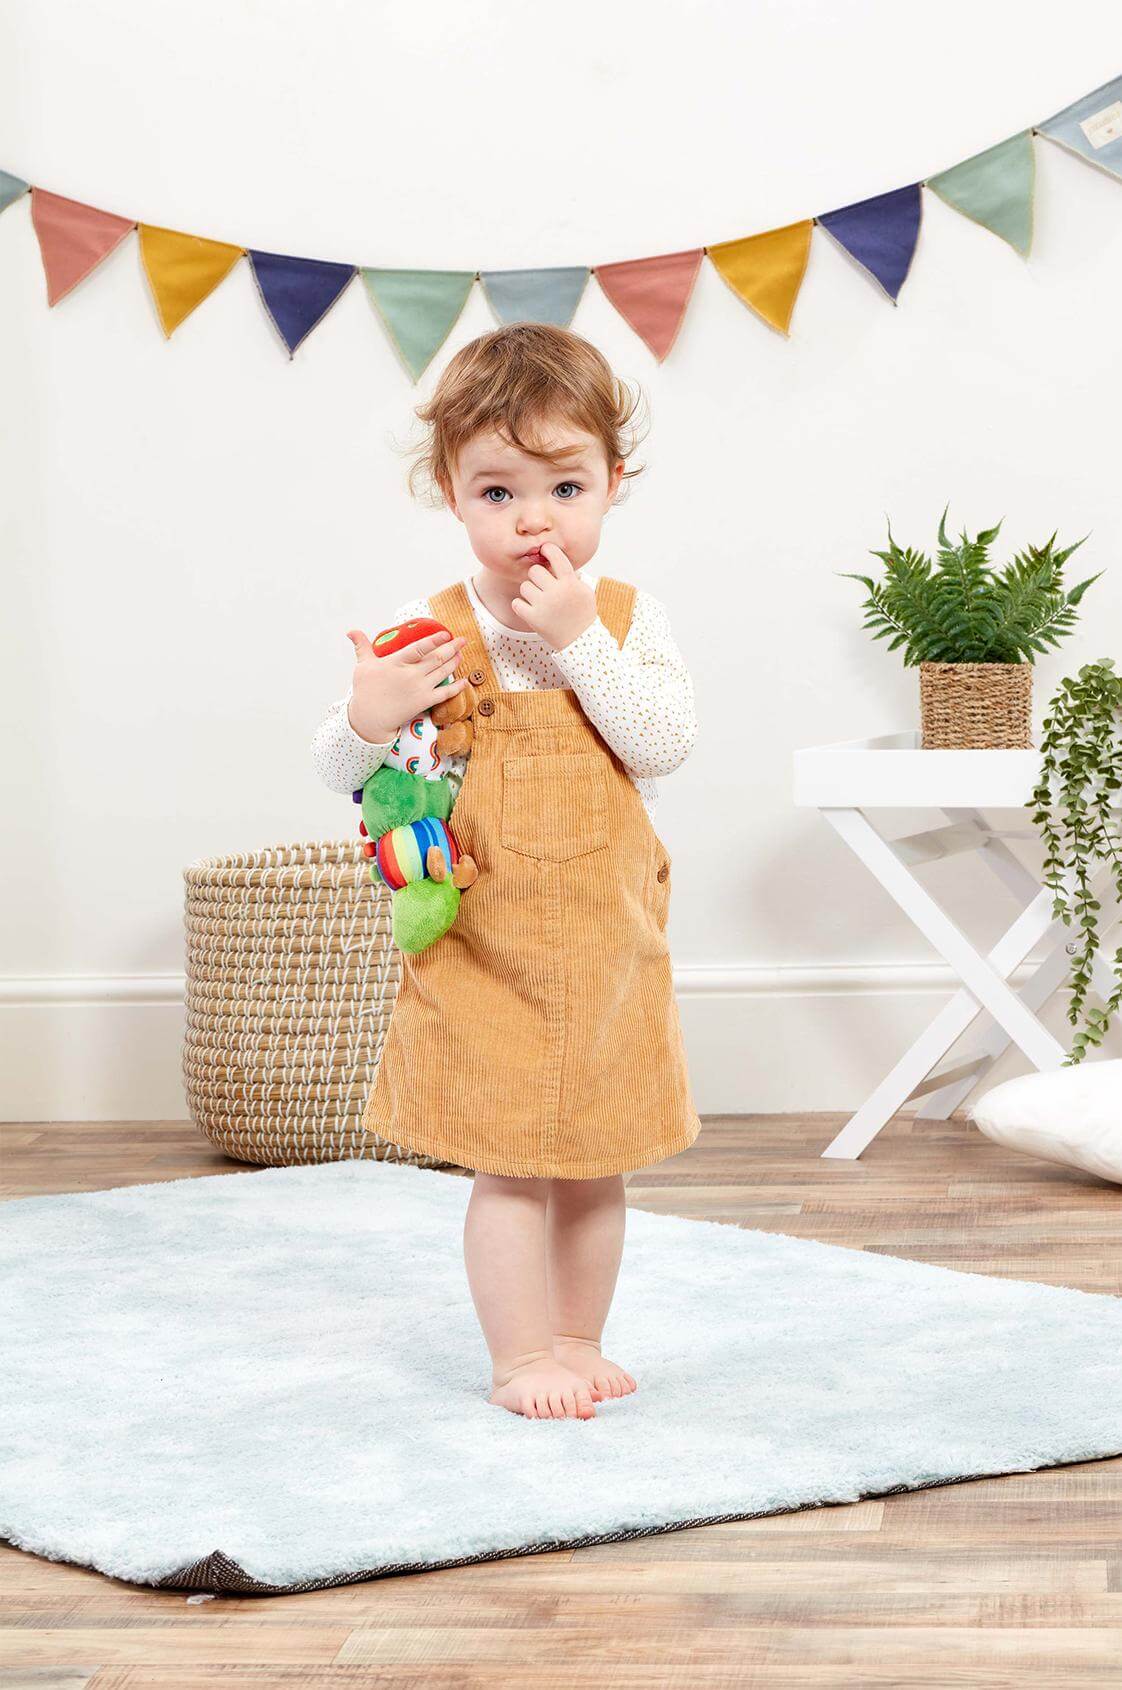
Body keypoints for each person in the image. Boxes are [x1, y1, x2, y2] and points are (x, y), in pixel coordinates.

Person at [311, 322, 701, 1422]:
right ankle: (522, 1356)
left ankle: (578, 1337)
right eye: (497, 492)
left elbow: (662, 744)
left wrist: (580, 641)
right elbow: (339, 769)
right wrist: (369, 714)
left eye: (565, 487)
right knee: (512, 1166)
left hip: (609, 947)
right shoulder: (429, 634)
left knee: (598, 1160)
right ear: (450, 492)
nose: (535, 519)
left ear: (613, 482)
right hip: (486, 951)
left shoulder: (627, 621)